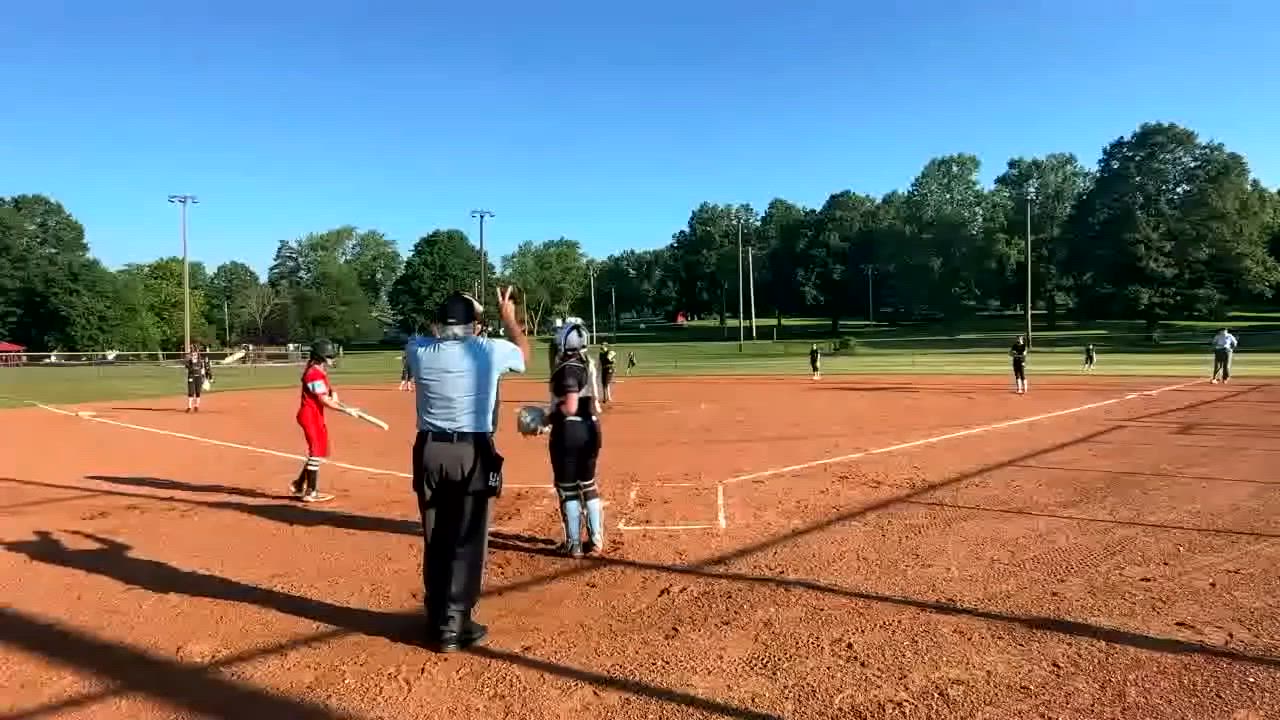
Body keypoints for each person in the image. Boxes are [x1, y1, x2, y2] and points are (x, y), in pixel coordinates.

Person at [406, 288, 528, 652]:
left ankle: (435, 612)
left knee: (436, 536)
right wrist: (508, 317)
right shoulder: (489, 350)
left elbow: (428, 335)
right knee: (467, 538)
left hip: (429, 450)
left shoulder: (419, 351)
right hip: (471, 450)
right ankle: (454, 621)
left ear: (439, 325)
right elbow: (524, 355)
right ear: (474, 326)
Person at [547, 320, 605, 557]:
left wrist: (547, 418)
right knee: (588, 484)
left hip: (569, 432)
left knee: (568, 488)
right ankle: (596, 539)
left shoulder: (568, 368)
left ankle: (574, 544)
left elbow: (570, 406)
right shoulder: (587, 362)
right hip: (591, 429)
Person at [291, 340, 351, 503]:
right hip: (309, 416)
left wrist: (334, 393)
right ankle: (310, 492)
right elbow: (323, 400)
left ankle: (299, 484)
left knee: (320, 450)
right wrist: (346, 410)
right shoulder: (313, 374)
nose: (332, 359)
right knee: (316, 451)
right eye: (329, 357)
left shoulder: (318, 371)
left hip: (316, 415)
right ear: (320, 357)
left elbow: (326, 391)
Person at [184, 346, 212, 413]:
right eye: (193, 354)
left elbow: (202, 370)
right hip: (191, 377)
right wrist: (192, 362)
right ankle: (189, 407)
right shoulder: (189, 362)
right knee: (191, 392)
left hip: (198, 377)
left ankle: (196, 406)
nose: (194, 356)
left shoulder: (200, 361)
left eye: (195, 354)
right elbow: (187, 367)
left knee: (198, 392)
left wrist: (204, 378)